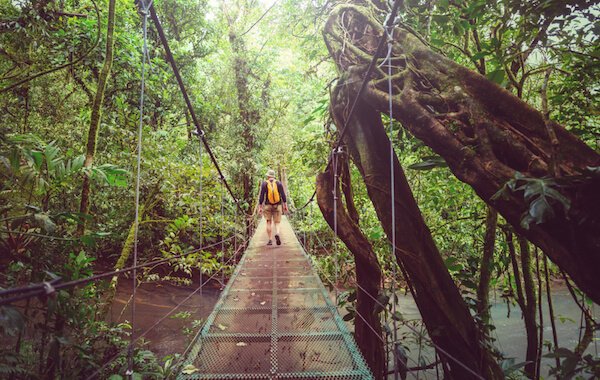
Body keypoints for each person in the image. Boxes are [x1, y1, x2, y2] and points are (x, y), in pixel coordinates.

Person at [258, 169, 288, 245]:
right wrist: (285, 205)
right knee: (277, 222)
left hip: (268, 206)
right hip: (277, 205)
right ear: (274, 176)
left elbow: (261, 196)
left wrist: (260, 207)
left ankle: (270, 240)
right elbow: (283, 195)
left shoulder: (264, 184)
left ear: (268, 176)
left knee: (268, 222)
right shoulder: (278, 183)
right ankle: (277, 233)